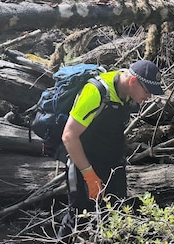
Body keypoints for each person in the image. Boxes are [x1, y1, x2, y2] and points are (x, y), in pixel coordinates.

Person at [60, 59, 163, 226]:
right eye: (147, 91)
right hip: (84, 164)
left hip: (113, 165)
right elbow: (69, 136)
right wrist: (89, 175)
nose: (149, 97)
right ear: (133, 81)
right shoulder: (95, 92)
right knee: (78, 215)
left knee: (115, 215)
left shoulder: (128, 92)